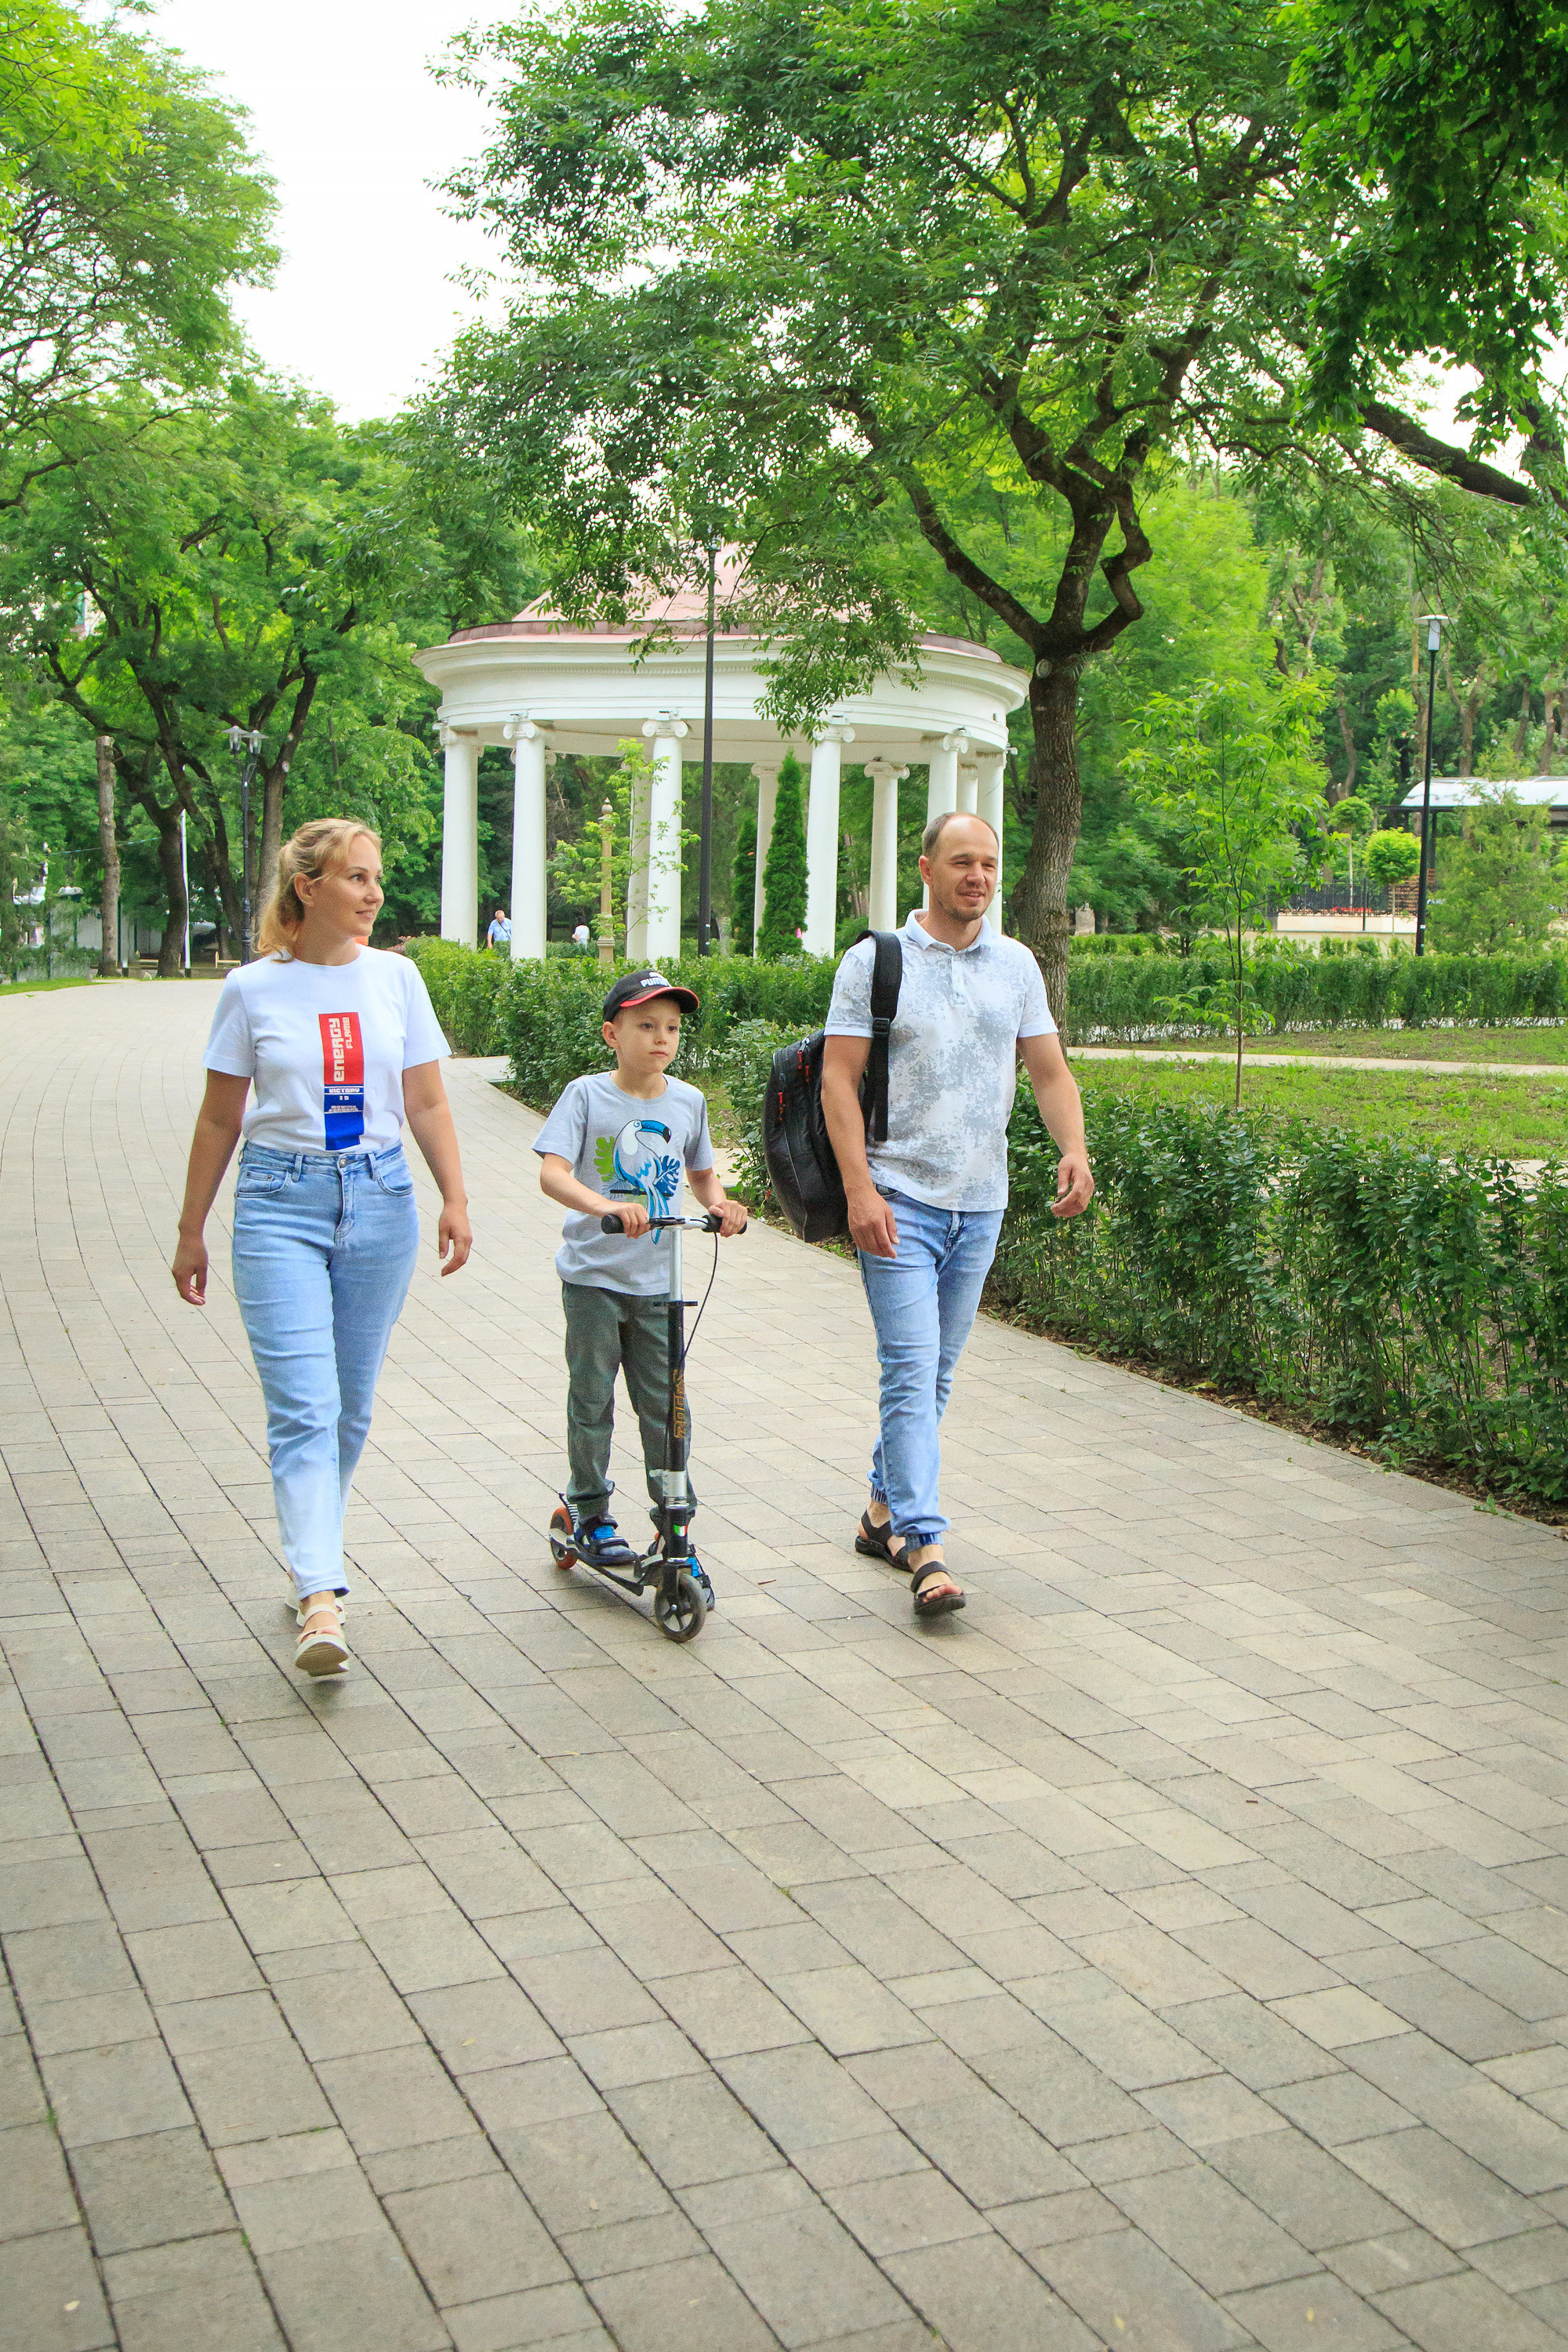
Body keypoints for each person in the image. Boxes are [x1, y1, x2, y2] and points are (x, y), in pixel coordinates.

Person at [171, 821, 473, 1677]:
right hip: (278, 1205)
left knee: (348, 1405)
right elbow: (220, 1117)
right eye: (357, 879)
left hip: (379, 1202)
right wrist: (192, 1229)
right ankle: (320, 1596)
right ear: (309, 888)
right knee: (303, 1406)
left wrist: (454, 1196)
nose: (375, 895)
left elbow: (426, 1103)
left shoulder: (397, 979)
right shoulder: (252, 991)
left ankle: (311, 1557)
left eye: (377, 879)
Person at [822, 812, 1093, 1617]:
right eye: (961, 863)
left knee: (932, 1373)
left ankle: (880, 1513)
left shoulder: (1015, 965)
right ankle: (925, 1547)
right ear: (926, 869)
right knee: (909, 1368)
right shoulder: (874, 962)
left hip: (981, 1202)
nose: (976, 876)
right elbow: (838, 1081)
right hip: (897, 1198)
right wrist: (858, 1191)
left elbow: (1047, 1071)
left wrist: (1072, 1147)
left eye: (988, 864)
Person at [535, 969, 746, 1568]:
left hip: (661, 1284)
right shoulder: (586, 1096)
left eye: (672, 1028)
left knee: (666, 1406)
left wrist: (719, 1205)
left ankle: (673, 1526)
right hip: (595, 1280)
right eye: (646, 1025)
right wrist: (605, 1207)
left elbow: (702, 1172)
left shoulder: (688, 1102)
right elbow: (552, 1172)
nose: (662, 1038)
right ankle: (589, 1513)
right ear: (612, 1033)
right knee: (593, 1397)